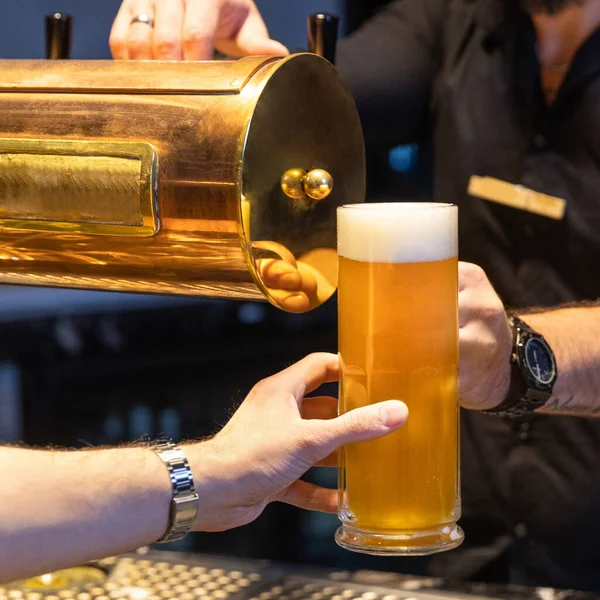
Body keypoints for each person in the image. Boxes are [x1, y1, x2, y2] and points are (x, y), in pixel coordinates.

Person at [109, 0, 600, 591]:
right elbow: (312, 117)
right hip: (460, 537)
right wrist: (238, 71)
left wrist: (518, 359)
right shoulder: (456, 20)